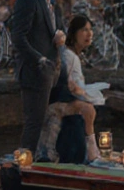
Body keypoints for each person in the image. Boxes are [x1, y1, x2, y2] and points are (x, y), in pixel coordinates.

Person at [10, 0, 67, 154]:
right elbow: (18, 37)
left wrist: (61, 34)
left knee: (48, 119)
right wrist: (40, 59)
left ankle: (43, 159)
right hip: (36, 71)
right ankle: (24, 166)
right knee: (34, 121)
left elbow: (56, 27)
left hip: (52, 70)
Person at [37, 15, 102, 162]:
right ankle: (92, 152)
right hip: (58, 101)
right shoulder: (69, 56)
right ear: (74, 33)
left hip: (62, 97)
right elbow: (72, 87)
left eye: (90, 30)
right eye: (84, 30)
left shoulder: (71, 56)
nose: (89, 34)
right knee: (89, 110)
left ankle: (90, 151)